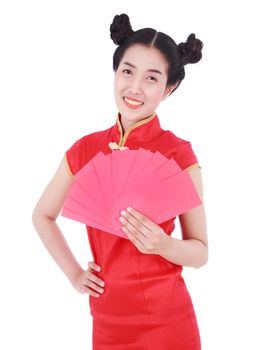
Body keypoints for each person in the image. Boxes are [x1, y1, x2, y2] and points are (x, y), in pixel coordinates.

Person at [32, 13, 208, 350]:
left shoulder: (179, 155)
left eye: (152, 78)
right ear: (115, 73)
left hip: (166, 318)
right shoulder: (84, 150)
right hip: (107, 317)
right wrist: (74, 274)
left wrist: (164, 245)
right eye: (127, 71)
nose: (135, 88)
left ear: (169, 88)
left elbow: (200, 252)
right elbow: (42, 216)